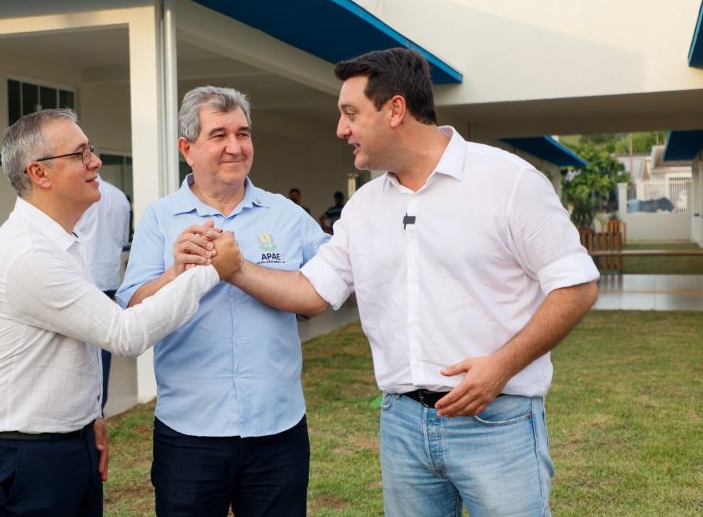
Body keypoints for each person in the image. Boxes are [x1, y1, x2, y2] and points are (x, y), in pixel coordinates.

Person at [224, 48, 600, 516]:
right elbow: (312, 293)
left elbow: (576, 286)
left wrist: (501, 367)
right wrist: (236, 269)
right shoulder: (363, 208)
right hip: (402, 426)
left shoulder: (509, 182)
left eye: (350, 114)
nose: (341, 129)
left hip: (498, 421)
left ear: (396, 110)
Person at [0, 108, 241, 516]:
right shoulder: (30, 253)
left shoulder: (59, 241)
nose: (95, 161)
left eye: (89, 149)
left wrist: (87, 419)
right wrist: (212, 272)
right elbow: (124, 334)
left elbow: (85, 331)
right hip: (27, 458)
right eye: (79, 154)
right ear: (39, 173)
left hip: (63, 445)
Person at [117, 86, 329, 517]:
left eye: (243, 134)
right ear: (187, 149)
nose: (235, 147)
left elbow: (322, 293)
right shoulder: (160, 218)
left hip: (277, 428)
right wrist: (175, 273)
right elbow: (133, 310)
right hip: (189, 431)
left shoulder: (285, 215)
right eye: (219, 135)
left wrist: (236, 268)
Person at [76, 177, 132, 411]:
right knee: (103, 342)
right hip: (108, 277)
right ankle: (100, 405)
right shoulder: (119, 197)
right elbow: (123, 238)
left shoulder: (79, 193)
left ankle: (87, 407)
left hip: (83, 276)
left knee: (81, 345)